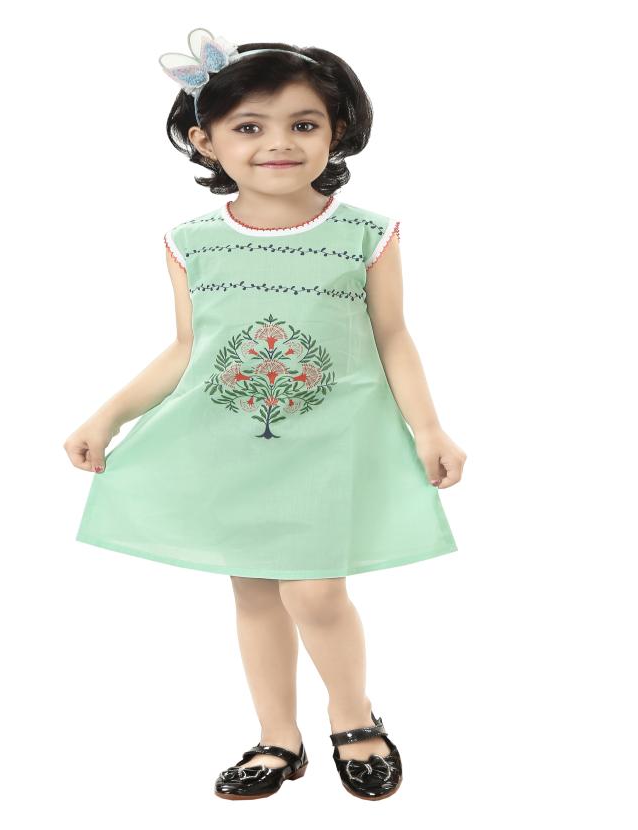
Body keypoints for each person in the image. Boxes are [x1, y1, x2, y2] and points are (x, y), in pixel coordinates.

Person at [64, 27, 467, 801]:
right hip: (233, 443)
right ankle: (278, 737)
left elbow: (392, 335)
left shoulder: (365, 234)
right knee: (253, 591)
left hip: (332, 444)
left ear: (336, 131)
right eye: (249, 126)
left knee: (315, 591)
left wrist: (429, 427)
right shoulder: (191, 242)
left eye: (302, 124)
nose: (277, 143)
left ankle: (353, 716)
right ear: (204, 140)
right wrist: (108, 414)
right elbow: (188, 348)